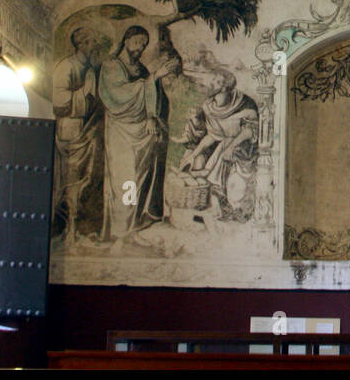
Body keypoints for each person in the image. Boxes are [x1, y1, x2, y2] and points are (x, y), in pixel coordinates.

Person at [99, 26, 179, 243]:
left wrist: (153, 116)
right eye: (137, 42)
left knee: (138, 179)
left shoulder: (141, 70)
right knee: (124, 179)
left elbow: (152, 98)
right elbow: (118, 96)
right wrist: (155, 77)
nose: (140, 48)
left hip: (141, 135)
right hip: (120, 132)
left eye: (143, 44)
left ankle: (133, 227)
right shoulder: (111, 66)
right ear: (126, 40)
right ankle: (120, 232)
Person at [179, 67, 260, 220]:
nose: (211, 84)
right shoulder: (209, 107)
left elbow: (249, 132)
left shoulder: (245, 104)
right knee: (197, 158)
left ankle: (228, 207)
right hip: (222, 146)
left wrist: (231, 146)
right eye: (213, 80)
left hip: (243, 148)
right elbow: (212, 135)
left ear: (225, 87)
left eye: (216, 81)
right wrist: (193, 154)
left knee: (225, 155)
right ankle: (205, 205)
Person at [52, 27, 103, 243]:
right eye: (91, 43)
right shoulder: (66, 67)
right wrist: (84, 91)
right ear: (81, 44)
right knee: (71, 180)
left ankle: (81, 227)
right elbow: (59, 102)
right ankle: (68, 229)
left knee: (87, 179)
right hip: (70, 131)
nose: (94, 47)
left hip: (88, 131)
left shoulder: (90, 68)